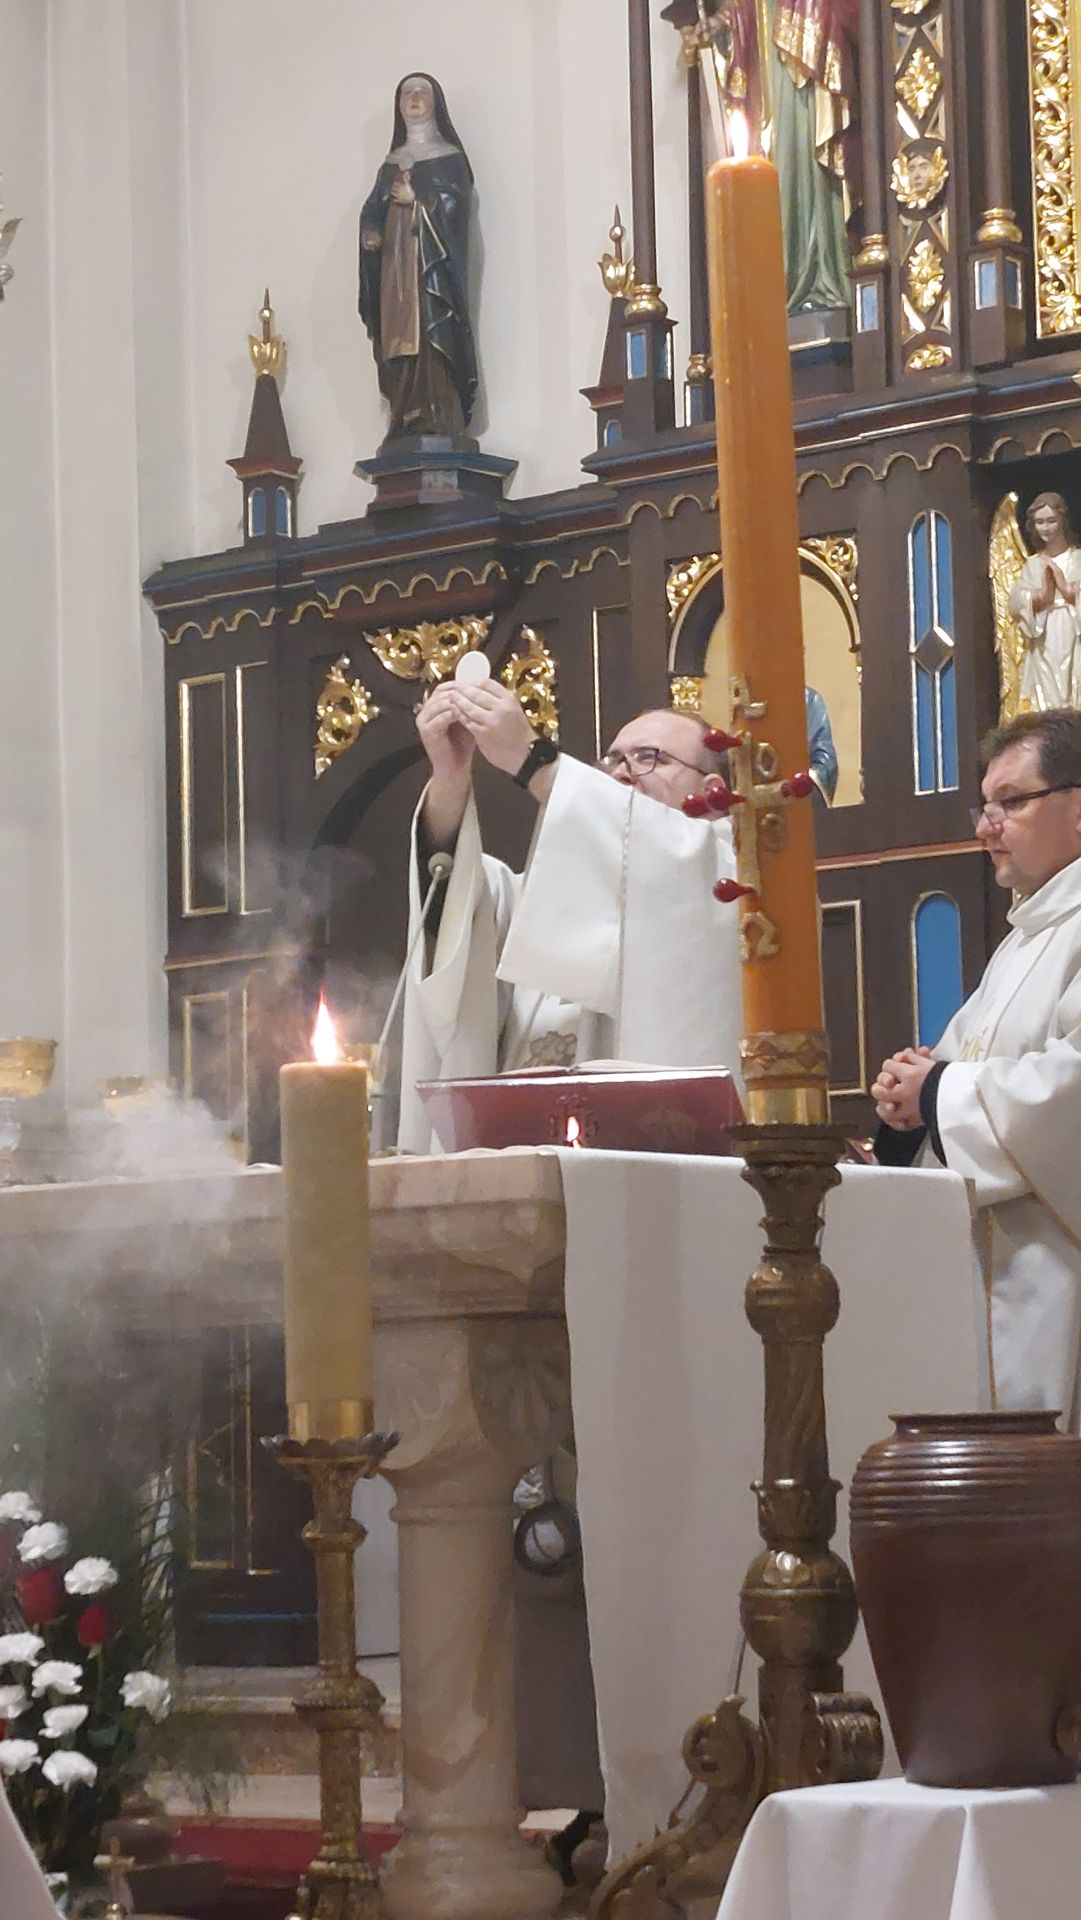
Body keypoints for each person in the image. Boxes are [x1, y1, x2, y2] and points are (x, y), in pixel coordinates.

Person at [396, 676, 744, 1153]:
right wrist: (450, 780)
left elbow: (670, 858)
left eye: (650, 757)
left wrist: (531, 758)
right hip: (528, 1170)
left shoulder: (732, 878)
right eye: (612, 760)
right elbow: (457, 906)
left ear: (713, 792)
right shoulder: (540, 895)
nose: (622, 774)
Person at [872, 708, 1081, 1426]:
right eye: (983, 806)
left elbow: (1070, 1087)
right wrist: (908, 1101)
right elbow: (960, 1066)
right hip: (1005, 1268)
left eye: (1010, 803)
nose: (986, 827)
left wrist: (936, 1091)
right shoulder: (1026, 936)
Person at [358, 73, 477, 443]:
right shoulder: (391, 164)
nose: (414, 98)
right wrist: (371, 233)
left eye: (422, 92)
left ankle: (438, 412)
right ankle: (405, 412)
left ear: (435, 103)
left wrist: (418, 202)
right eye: (407, 93)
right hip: (396, 273)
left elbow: (455, 205)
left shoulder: (449, 158)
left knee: (431, 333)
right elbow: (373, 209)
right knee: (398, 340)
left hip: (430, 272)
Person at [1007, 492, 1081, 711]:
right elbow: (1014, 602)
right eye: (1040, 522)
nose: (1045, 528)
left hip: (1074, 633)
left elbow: (1072, 591)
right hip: (1045, 637)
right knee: (1046, 696)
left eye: (1051, 521)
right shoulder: (1033, 565)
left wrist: (1069, 591)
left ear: (1062, 521)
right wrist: (1038, 597)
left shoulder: (1077, 559)